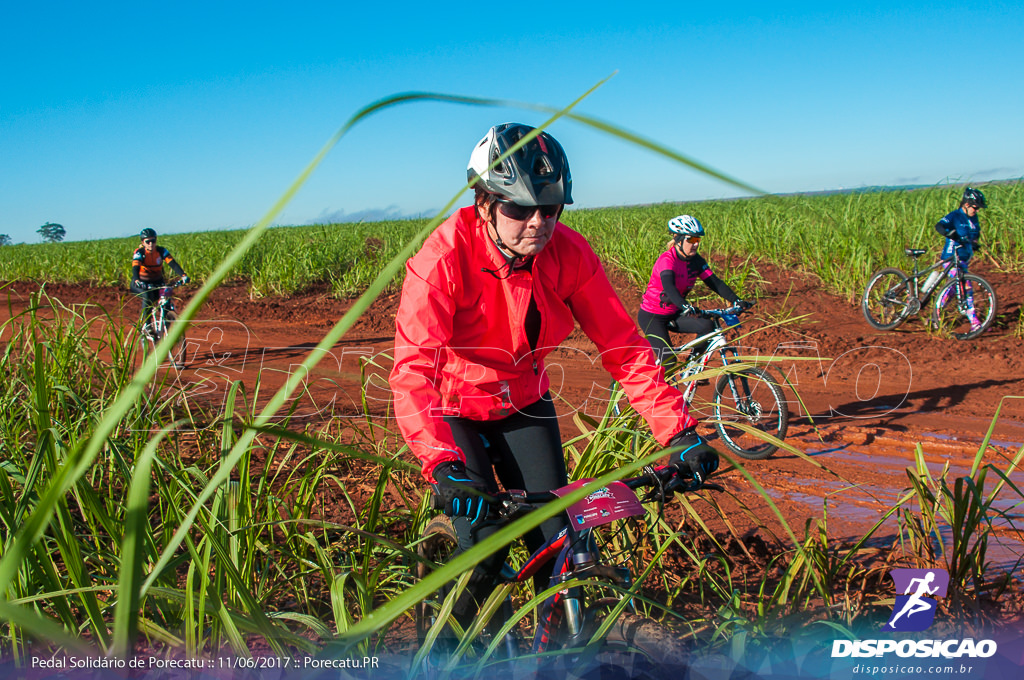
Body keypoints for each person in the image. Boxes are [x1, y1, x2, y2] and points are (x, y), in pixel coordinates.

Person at [388, 123, 720, 633]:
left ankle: (559, 644)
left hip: (523, 401)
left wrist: (679, 433)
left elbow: (625, 349)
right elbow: (413, 369)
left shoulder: (569, 253)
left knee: (556, 537)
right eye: (519, 209)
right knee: (481, 541)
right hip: (455, 407)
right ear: (483, 201)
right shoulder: (443, 258)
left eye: (551, 209)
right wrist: (442, 466)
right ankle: (443, 648)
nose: (537, 223)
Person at [637, 215, 751, 370]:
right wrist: (685, 306)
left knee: (707, 326)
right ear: (678, 240)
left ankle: (692, 367)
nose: (696, 244)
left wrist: (736, 300)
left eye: (698, 240)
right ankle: (661, 392)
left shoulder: (696, 261)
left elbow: (714, 283)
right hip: (652, 317)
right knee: (669, 361)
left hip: (675, 313)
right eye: (691, 240)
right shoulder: (667, 260)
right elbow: (669, 287)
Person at [927, 187, 986, 329]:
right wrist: (949, 233)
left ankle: (934, 318)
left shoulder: (974, 218)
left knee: (953, 289)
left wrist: (974, 244)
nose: (977, 210)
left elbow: (974, 235)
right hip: (951, 257)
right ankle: (975, 323)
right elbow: (939, 226)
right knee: (966, 286)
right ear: (966, 204)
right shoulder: (955, 216)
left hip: (964, 259)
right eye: (975, 207)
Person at [130, 228, 189, 334]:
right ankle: (147, 324)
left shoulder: (161, 251)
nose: (151, 244)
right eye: (148, 242)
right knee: (148, 297)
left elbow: (173, 264)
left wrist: (183, 275)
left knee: (166, 299)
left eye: (153, 241)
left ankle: (165, 327)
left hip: (157, 282)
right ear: (143, 242)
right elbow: (135, 267)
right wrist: (137, 279)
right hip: (141, 283)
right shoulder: (140, 253)